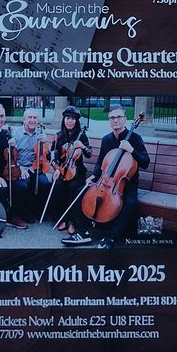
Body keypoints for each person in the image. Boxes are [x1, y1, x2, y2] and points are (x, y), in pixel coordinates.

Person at [62, 106, 148, 249]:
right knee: (80, 191)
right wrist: (94, 177)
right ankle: (82, 232)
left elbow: (145, 162)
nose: (116, 120)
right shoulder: (107, 139)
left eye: (119, 117)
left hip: (126, 183)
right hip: (105, 180)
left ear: (125, 119)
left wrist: (131, 150)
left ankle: (110, 238)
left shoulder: (135, 138)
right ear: (109, 121)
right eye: (112, 118)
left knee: (131, 204)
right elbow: (100, 163)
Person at [48, 105, 90, 233]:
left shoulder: (81, 135)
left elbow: (89, 153)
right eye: (67, 118)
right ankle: (62, 218)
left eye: (72, 119)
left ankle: (73, 221)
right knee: (58, 186)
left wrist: (82, 147)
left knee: (73, 188)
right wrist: (55, 168)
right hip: (62, 170)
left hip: (78, 172)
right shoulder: (58, 136)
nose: (69, 121)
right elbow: (53, 155)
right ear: (64, 120)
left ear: (76, 121)